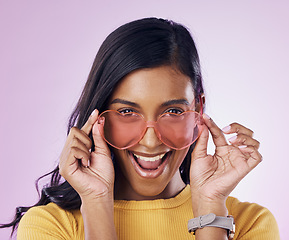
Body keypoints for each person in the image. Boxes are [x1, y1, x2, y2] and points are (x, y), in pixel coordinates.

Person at [1, 17, 279, 240]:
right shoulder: (50, 227)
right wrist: (96, 204)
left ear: (198, 110)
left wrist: (210, 208)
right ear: (100, 116)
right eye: (127, 112)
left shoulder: (248, 224)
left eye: (173, 111)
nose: (149, 141)